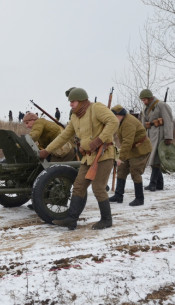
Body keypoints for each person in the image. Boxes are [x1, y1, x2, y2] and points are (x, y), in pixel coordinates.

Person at [39, 87, 119, 230]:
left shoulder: (96, 108)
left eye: (73, 102)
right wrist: (47, 150)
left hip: (104, 154)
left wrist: (99, 140)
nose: (70, 104)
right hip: (87, 158)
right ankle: (71, 219)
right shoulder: (75, 117)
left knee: (98, 187)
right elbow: (64, 136)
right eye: (70, 102)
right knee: (78, 186)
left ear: (82, 100)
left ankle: (107, 219)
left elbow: (113, 122)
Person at [109, 105, 152, 206]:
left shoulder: (128, 123)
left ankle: (139, 198)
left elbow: (127, 142)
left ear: (119, 115)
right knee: (121, 170)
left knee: (135, 171)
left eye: (113, 116)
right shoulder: (120, 122)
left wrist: (120, 158)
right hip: (131, 149)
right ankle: (118, 196)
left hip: (141, 149)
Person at [139, 89, 174, 192]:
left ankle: (153, 184)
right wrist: (143, 134)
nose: (144, 102)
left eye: (145, 99)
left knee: (156, 159)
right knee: (153, 158)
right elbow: (143, 121)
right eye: (142, 100)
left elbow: (168, 121)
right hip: (150, 135)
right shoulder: (145, 107)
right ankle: (159, 184)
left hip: (160, 134)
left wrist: (168, 137)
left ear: (150, 98)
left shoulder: (161, 105)